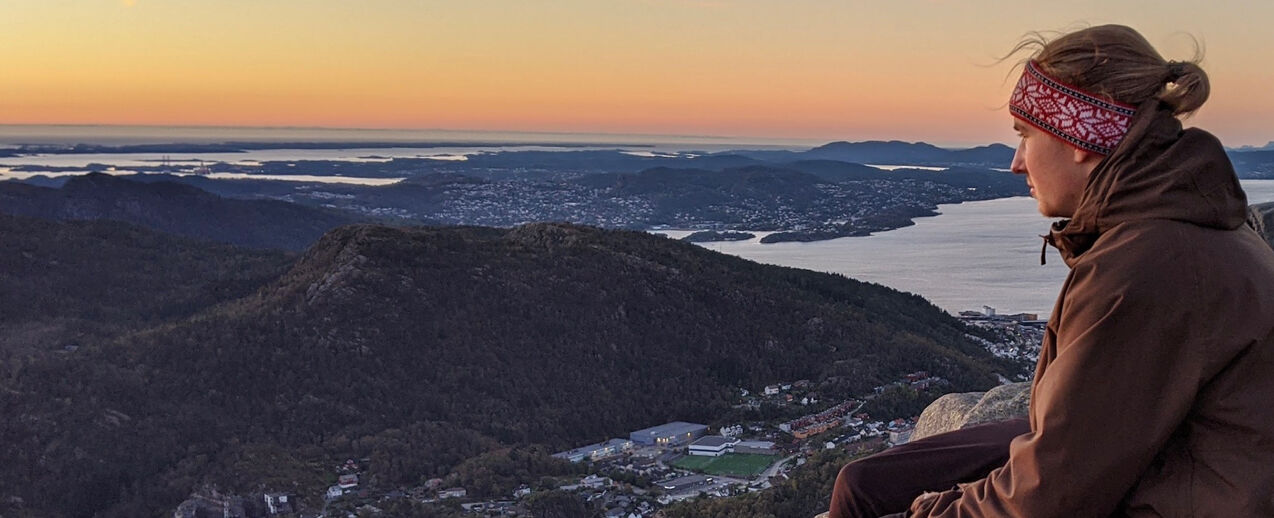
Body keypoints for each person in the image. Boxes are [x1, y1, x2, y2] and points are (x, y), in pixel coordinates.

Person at [827, 24, 1274, 517]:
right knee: (864, 481)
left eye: (1024, 136)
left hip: (1188, 492)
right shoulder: (1180, 227)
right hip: (1178, 454)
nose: (1017, 163)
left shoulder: (1146, 264)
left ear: (1080, 138)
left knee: (867, 497)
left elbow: (1049, 499)